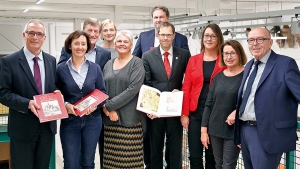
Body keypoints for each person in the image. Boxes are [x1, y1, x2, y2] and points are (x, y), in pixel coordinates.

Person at [234, 27, 300, 169]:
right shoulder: (249, 65)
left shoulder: (285, 64)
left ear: (270, 42)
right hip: (245, 130)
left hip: (267, 134)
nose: (255, 44)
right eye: (251, 40)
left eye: (260, 39)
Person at [132, 6, 190, 168]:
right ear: (158, 35)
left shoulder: (183, 54)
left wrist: (182, 91)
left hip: (175, 109)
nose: (165, 38)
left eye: (168, 35)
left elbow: (190, 77)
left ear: (174, 36)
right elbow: (146, 82)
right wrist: (150, 108)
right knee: (155, 149)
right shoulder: (148, 56)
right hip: (155, 112)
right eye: (162, 35)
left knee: (175, 149)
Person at [0, 19, 57, 169]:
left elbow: (52, 87)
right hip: (22, 128)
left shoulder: (51, 61)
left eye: (39, 34)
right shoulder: (9, 61)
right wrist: (26, 103)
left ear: (44, 38)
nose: (35, 37)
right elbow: (3, 92)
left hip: (46, 128)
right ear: (24, 35)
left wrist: (57, 93)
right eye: (31, 33)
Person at [58, 18, 110, 169]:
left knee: (88, 162)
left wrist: (96, 105)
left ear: (87, 47)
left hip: (92, 120)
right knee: (71, 162)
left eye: (83, 44)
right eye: (76, 43)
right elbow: (56, 93)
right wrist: (66, 105)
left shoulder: (95, 68)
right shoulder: (61, 69)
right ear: (70, 45)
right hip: (70, 121)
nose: (80, 47)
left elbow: (103, 92)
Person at [181, 23, 225, 169]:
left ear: (219, 38)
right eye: (206, 36)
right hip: (195, 113)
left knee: (212, 156)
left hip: (216, 114)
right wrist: (184, 113)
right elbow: (186, 87)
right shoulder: (194, 60)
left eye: (213, 36)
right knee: (194, 156)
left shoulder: (224, 60)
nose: (209, 39)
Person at [102, 30, 147, 168]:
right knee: (111, 163)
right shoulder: (108, 64)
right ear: (115, 44)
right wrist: (107, 109)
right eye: (119, 41)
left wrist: (109, 106)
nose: (122, 44)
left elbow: (133, 90)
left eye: (125, 41)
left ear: (131, 45)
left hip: (130, 120)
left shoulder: (137, 63)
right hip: (110, 121)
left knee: (130, 162)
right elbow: (102, 88)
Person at [201, 40, 247, 169]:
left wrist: (237, 111)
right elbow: (208, 104)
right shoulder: (218, 77)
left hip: (232, 129)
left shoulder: (246, 76)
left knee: (228, 166)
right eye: (226, 54)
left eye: (233, 53)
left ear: (239, 54)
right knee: (218, 165)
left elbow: (250, 101)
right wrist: (204, 130)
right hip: (215, 128)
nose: (229, 57)